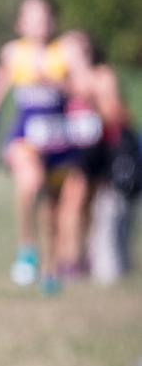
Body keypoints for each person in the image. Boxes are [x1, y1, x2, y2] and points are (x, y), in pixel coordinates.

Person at [0, 0, 80, 294]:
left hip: (58, 137)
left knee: (52, 210)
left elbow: (80, 90)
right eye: (32, 16)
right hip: (24, 134)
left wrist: (54, 81)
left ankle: (51, 268)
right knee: (30, 183)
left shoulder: (65, 51)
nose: (39, 22)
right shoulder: (13, 53)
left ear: (53, 20)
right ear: (20, 23)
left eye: (44, 16)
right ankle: (26, 247)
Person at [56, 31, 132, 279]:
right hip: (74, 150)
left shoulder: (102, 76)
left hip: (103, 148)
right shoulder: (62, 79)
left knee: (92, 205)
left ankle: (88, 256)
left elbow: (118, 115)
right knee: (71, 202)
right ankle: (68, 259)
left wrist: (93, 100)